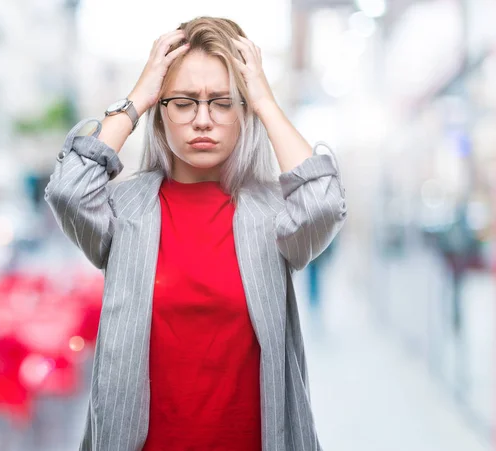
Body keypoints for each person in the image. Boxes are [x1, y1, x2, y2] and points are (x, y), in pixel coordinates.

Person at [45, 16, 347, 451]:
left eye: (223, 102)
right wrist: (137, 98)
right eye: (184, 102)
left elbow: (323, 201)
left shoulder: (271, 215)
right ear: (160, 112)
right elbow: (68, 191)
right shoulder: (125, 210)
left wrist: (264, 101)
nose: (202, 119)